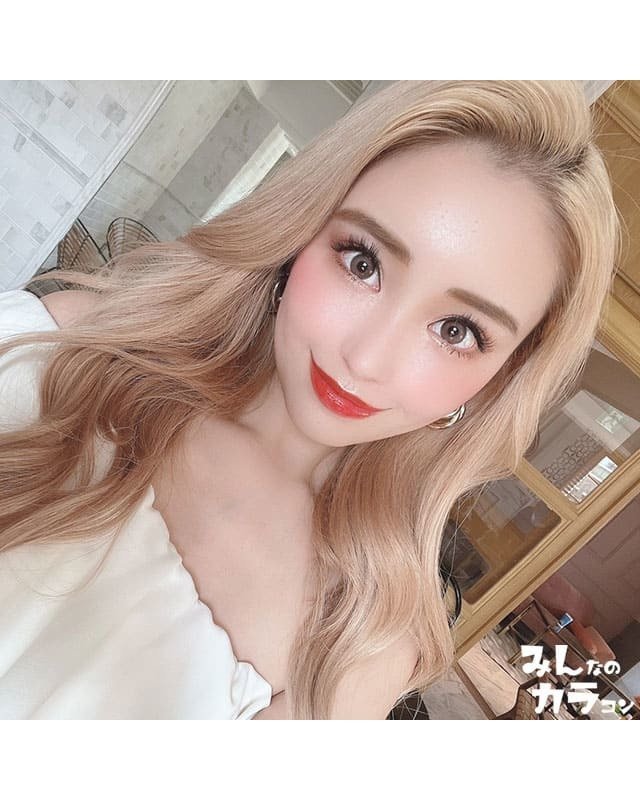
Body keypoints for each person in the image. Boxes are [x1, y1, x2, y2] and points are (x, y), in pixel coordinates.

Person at [0, 81, 619, 719]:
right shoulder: (66, 353)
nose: (366, 359)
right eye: (363, 263)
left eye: (456, 331)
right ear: (302, 228)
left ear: (501, 378)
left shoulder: (358, 644)